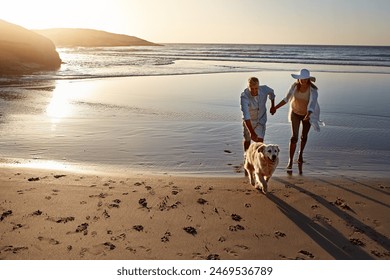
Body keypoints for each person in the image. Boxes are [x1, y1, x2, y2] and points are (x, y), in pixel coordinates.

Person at [271, 69, 321, 173]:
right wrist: (275, 107)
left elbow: (312, 104)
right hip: (295, 113)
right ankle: (290, 161)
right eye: (301, 79)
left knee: (304, 136)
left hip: (308, 114)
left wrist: (308, 114)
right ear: (298, 79)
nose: (303, 81)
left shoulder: (313, 90)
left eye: (305, 79)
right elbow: (286, 99)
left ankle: (300, 154)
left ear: (308, 79)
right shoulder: (294, 87)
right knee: (294, 137)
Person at [240, 77, 275, 153]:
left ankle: (258, 159)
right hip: (249, 121)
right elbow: (246, 116)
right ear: (248, 87)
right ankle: (246, 156)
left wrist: (273, 106)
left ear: (258, 87)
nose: (254, 91)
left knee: (260, 142)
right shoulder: (244, 97)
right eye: (251, 88)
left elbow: (272, 93)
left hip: (261, 119)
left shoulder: (264, 89)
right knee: (247, 139)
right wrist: (252, 132)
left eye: (256, 88)